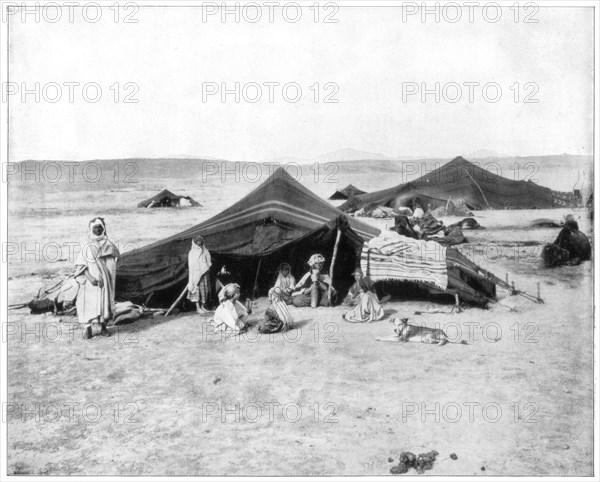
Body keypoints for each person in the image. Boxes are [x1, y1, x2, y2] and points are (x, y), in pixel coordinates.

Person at [74, 217, 120, 339]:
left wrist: (106, 278)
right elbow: (80, 265)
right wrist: (90, 278)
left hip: (104, 281)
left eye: (100, 227)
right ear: (91, 229)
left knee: (103, 302)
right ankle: (88, 329)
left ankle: (103, 327)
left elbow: (112, 262)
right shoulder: (87, 245)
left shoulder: (108, 244)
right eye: (95, 227)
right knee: (89, 303)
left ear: (104, 228)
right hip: (91, 282)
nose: (98, 229)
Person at [187, 235, 212, 313]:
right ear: (194, 243)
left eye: (200, 242)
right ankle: (198, 308)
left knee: (204, 290)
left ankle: (202, 306)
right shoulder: (192, 252)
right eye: (197, 242)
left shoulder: (205, 250)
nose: (199, 243)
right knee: (196, 290)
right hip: (196, 275)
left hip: (204, 274)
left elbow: (207, 261)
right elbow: (191, 265)